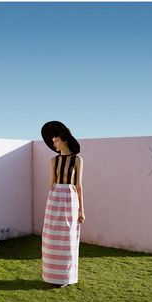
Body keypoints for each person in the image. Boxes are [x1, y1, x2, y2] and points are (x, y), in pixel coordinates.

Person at [40, 121, 85, 288]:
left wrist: (82, 210)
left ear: (64, 139)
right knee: (51, 237)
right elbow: (52, 183)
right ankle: (51, 276)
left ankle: (65, 277)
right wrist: (52, 203)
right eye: (53, 142)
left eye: (56, 140)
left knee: (68, 238)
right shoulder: (53, 160)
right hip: (55, 199)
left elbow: (79, 186)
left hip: (71, 199)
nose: (54, 144)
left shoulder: (77, 160)